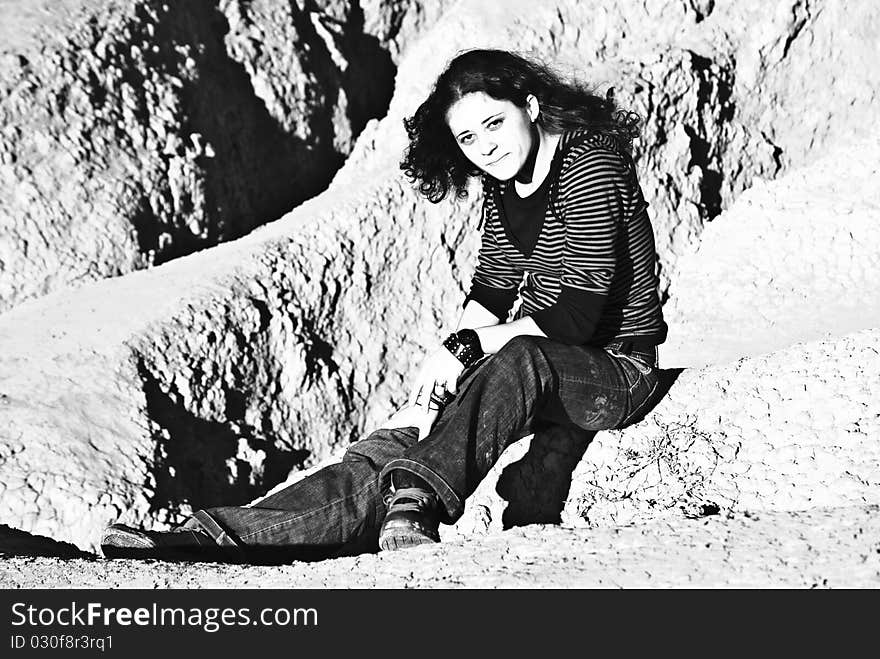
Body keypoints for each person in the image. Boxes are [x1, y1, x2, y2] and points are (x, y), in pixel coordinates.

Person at [100, 48, 667, 562]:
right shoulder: (504, 181)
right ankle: (222, 535)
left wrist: (467, 348)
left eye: (495, 123)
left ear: (532, 105)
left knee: (520, 357)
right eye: (469, 138)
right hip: (525, 367)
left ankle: (415, 501)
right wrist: (435, 382)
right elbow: (492, 288)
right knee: (397, 440)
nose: (486, 146)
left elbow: (575, 319)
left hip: (612, 368)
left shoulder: (590, 164)